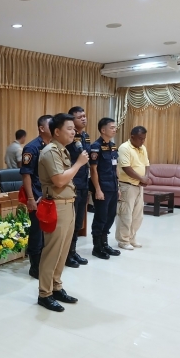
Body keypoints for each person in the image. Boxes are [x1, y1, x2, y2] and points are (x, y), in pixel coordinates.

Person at [37, 113, 89, 312]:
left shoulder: (63, 150)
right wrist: (79, 164)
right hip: (56, 206)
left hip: (68, 204)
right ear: (57, 132)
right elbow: (59, 180)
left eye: (74, 129)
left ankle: (56, 287)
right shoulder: (50, 151)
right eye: (69, 128)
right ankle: (45, 293)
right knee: (52, 251)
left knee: (63, 250)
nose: (73, 132)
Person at [20, 115, 53, 279]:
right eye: (51, 125)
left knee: (48, 232)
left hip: (50, 195)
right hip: (37, 195)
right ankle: (35, 267)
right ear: (42, 128)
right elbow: (26, 175)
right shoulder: (32, 148)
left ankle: (45, 263)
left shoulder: (54, 146)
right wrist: (31, 198)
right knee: (37, 232)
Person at [90, 118, 121, 259]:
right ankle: (97, 247)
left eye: (115, 127)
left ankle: (104, 243)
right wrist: (97, 189)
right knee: (101, 217)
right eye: (112, 127)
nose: (115, 129)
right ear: (103, 130)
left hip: (112, 187)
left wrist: (117, 187)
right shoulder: (95, 147)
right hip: (102, 188)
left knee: (110, 216)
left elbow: (115, 169)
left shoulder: (113, 146)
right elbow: (93, 170)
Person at [115, 126, 150, 250]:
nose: (142, 141)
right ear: (132, 137)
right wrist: (142, 179)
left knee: (137, 215)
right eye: (140, 138)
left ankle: (131, 238)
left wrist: (146, 178)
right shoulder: (124, 148)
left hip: (139, 186)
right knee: (125, 214)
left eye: (144, 138)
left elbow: (147, 165)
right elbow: (126, 168)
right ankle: (123, 240)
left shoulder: (143, 148)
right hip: (127, 186)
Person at [65, 106, 91, 268]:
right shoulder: (68, 138)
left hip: (84, 183)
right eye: (79, 117)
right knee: (70, 221)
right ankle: (66, 254)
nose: (83, 118)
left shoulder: (85, 136)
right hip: (72, 184)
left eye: (84, 116)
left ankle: (73, 251)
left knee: (78, 222)